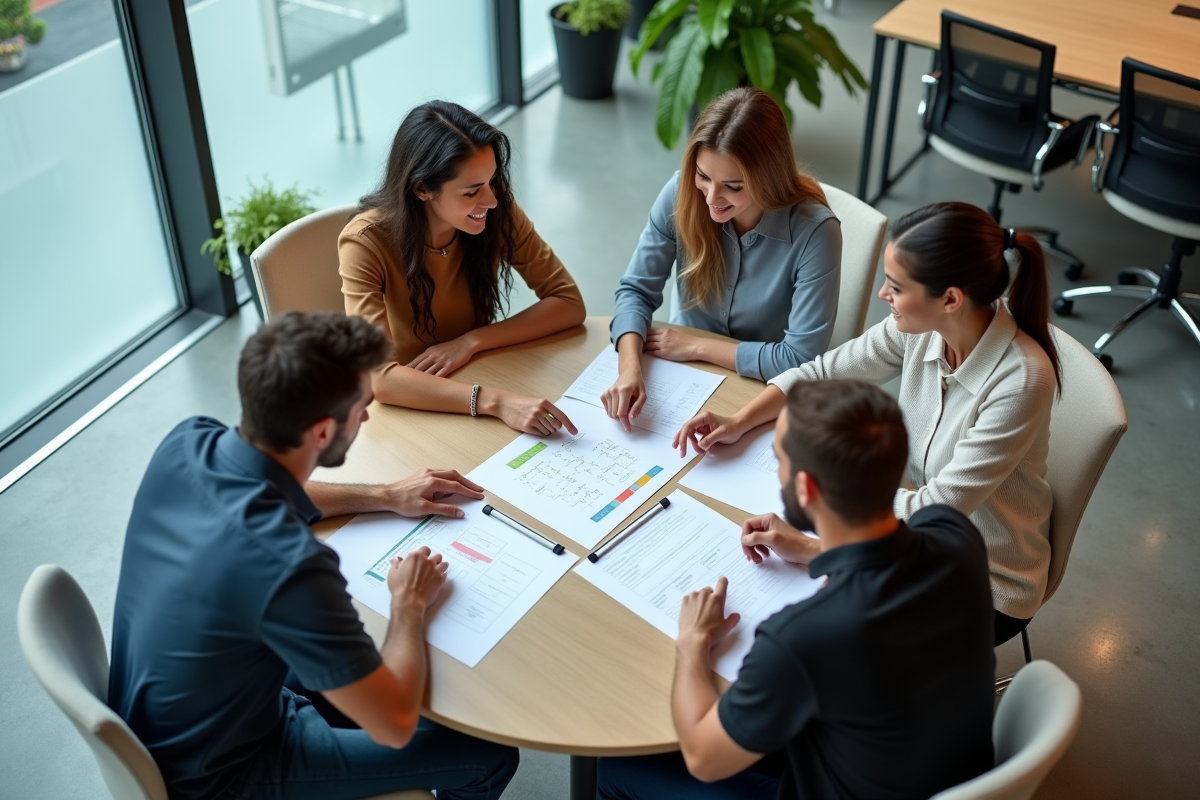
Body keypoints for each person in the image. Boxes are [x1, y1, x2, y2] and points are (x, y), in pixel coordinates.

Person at [108, 312, 519, 800]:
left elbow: (269, 492)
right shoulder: (292, 567)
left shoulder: (188, 441)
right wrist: (407, 605)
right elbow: (394, 723)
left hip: (173, 717)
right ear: (323, 432)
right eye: (360, 407)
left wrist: (384, 494)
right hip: (224, 773)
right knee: (488, 756)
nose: (366, 416)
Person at [674, 201, 1061, 646]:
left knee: (820, 638)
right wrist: (740, 420)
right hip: (914, 540)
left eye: (896, 286)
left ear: (950, 299)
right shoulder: (919, 327)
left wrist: (826, 524)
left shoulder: (1021, 381)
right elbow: (819, 374)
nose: (882, 295)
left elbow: (937, 509)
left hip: (984, 580)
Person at [599, 379, 995, 800]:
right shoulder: (953, 532)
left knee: (616, 768)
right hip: (945, 773)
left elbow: (703, 756)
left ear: (806, 489)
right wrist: (810, 548)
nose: (778, 470)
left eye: (779, 459)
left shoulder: (802, 638)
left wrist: (692, 643)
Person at [340, 100, 587, 437]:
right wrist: (495, 402)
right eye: (472, 192)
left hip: (479, 376)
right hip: (411, 408)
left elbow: (569, 302)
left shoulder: (497, 214)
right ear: (422, 189)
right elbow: (380, 379)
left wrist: (470, 342)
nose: (492, 201)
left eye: (491, 182)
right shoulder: (364, 243)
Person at [604, 87, 842, 430]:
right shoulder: (680, 193)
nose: (712, 198)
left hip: (762, 391)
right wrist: (629, 369)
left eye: (733, 186)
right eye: (703, 176)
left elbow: (799, 360)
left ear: (768, 177)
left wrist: (697, 347)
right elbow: (635, 291)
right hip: (683, 376)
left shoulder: (816, 233)